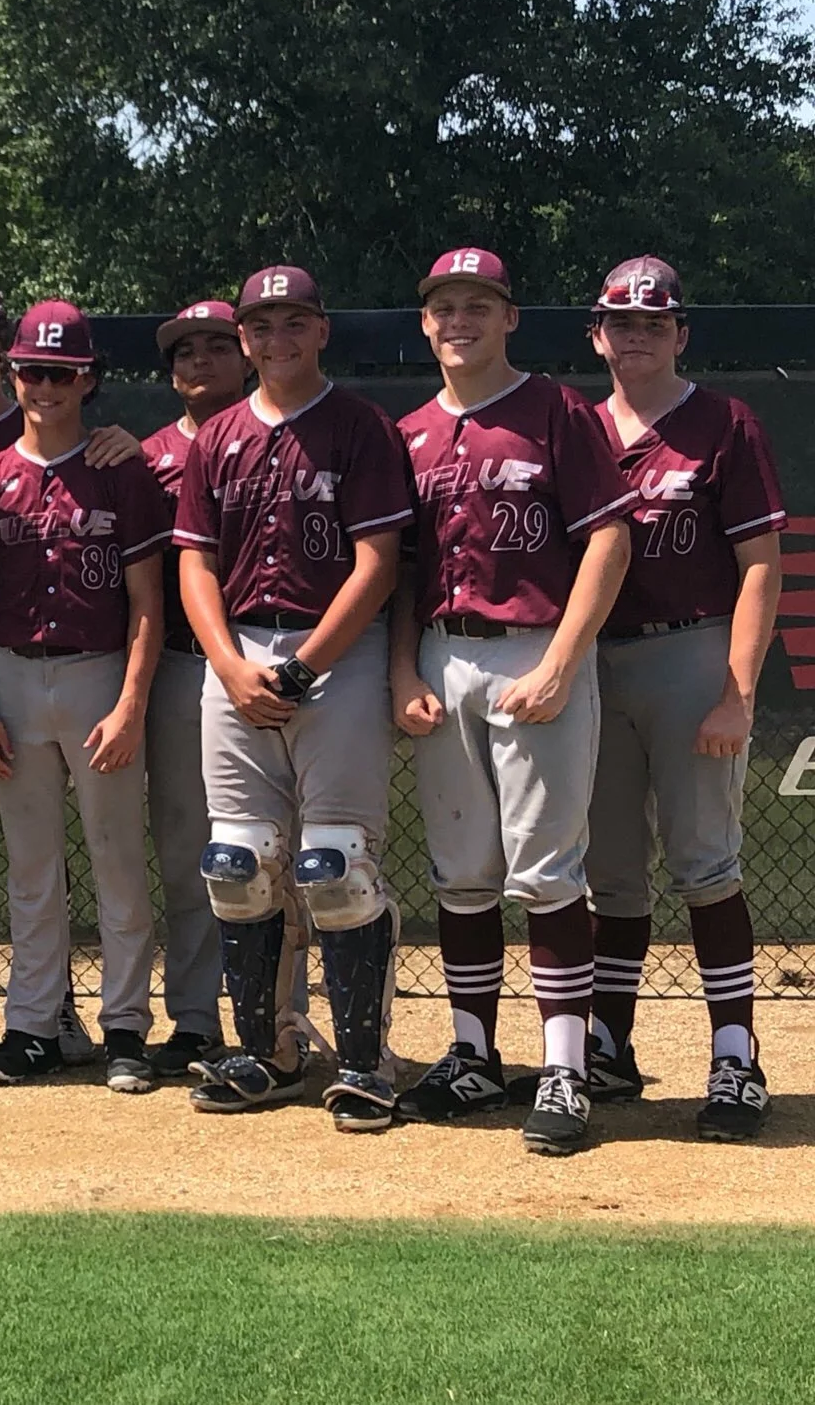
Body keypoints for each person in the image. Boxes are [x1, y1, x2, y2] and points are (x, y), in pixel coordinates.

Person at [388, 247, 635, 1156]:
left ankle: (565, 1069)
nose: (460, 320)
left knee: (548, 872)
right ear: (426, 323)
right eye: (445, 306)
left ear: (509, 317)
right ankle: (474, 1054)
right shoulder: (410, 431)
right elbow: (401, 570)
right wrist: (402, 673)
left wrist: (565, 660)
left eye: (478, 305)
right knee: (461, 871)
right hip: (442, 652)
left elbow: (609, 539)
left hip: (535, 648)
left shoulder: (557, 410)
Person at [173, 266, 411, 1131]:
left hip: (335, 653)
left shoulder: (360, 427)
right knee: (236, 865)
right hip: (239, 651)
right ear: (243, 338)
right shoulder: (217, 437)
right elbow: (194, 562)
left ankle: (365, 1062)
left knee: (334, 866)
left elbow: (379, 564)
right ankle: (267, 1051)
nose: (277, 339)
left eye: (294, 322)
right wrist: (229, 663)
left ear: (321, 330)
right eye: (261, 325)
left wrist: (305, 668)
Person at [577, 256, 785, 1141]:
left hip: (692, 651)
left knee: (706, 863)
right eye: (622, 322)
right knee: (610, 870)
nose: (637, 335)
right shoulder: (578, 426)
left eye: (654, 322)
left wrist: (737, 692)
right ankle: (608, 1044)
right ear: (597, 335)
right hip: (595, 660)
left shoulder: (723, 422)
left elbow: (761, 567)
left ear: (681, 334)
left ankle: (736, 1055)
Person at [0, 301, 171, 1092]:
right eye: (32, 372)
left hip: (97, 674)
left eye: (61, 373)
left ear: (88, 380)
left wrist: (132, 702)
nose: (45, 386)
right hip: (15, 678)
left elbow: (148, 599)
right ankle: (32, 1025)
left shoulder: (119, 469)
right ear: (13, 376)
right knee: (31, 866)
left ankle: (126, 1026)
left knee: (117, 857)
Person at [133, 300, 252, 1075]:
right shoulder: (144, 456)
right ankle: (195, 1017)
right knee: (186, 850)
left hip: (268, 654)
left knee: (280, 848)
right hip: (181, 663)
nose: (200, 361)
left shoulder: (279, 435)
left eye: (216, 346)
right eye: (185, 351)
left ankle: (279, 1016)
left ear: (246, 356)